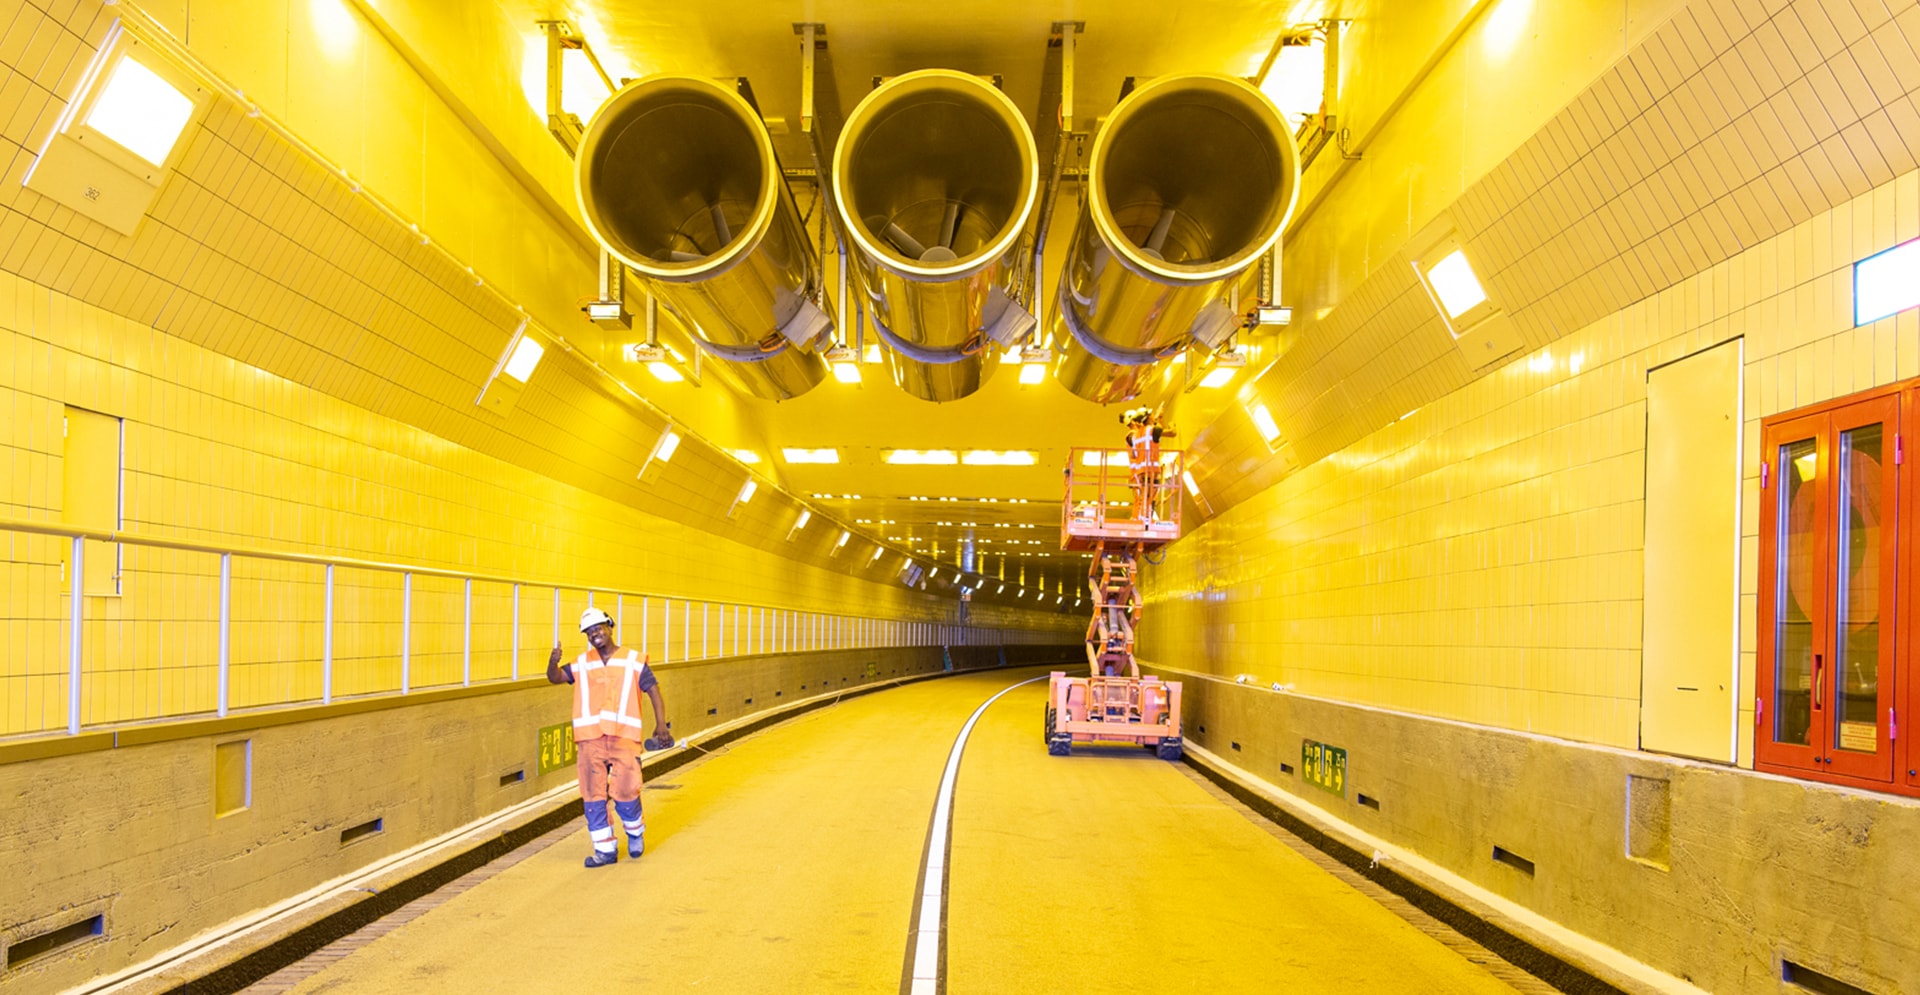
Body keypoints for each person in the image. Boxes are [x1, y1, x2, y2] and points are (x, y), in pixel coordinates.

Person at [547, 607, 670, 868]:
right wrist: (552, 662)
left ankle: (635, 832)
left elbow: (654, 691)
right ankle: (605, 850)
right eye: (589, 632)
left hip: (623, 738)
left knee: (626, 790)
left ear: (610, 627)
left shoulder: (633, 660)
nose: (595, 634)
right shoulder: (582, 662)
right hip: (590, 739)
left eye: (599, 628)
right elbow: (556, 677)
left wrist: (661, 726)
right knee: (593, 795)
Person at [1121, 407, 1175, 522]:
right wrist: (1167, 423)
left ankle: (1141, 519)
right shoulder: (1134, 434)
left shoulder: (1137, 434)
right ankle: (1141, 520)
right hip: (1149, 470)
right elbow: (1170, 433)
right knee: (1145, 499)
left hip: (1140, 471)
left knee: (1144, 499)